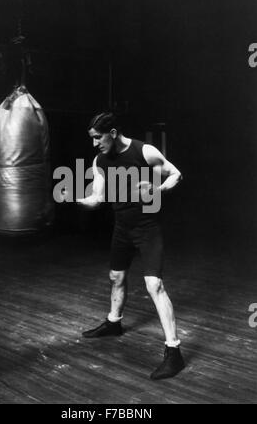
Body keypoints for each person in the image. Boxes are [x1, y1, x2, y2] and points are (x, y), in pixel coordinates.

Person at [77, 112, 185, 380]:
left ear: (112, 133)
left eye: (98, 138)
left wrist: (158, 190)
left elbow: (175, 174)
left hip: (147, 229)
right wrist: (75, 199)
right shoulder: (100, 159)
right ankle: (114, 323)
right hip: (122, 228)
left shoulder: (143, 151)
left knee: (154, 285)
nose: (95, 144)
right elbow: (98, 198)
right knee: (116, 277)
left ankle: (174, 353)